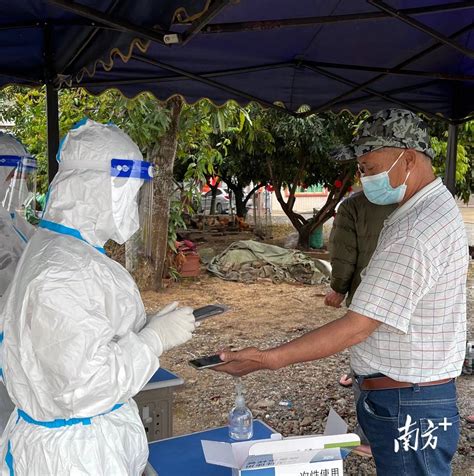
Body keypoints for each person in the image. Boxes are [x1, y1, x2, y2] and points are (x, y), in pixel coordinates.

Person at [215, 109, 468, 476]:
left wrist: (267, 359)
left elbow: (357, 327)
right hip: (410, 392)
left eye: (368, 166)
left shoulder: (416, 231)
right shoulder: (427, 208)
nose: (363, 177)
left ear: (408, 158)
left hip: (408, 400)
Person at [0, 119, 196, 475]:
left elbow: (80, 342)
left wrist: (143, 329)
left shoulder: (68, 253)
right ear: (94, 188)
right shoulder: (62, 272)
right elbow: (83, 387)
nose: (133, 206)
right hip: (75, 460)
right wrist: (152, 340)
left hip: (87, 448)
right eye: (128, 192)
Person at [325, 187, 396, 456]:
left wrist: (338, 287)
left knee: (366, 363)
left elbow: (344, 253)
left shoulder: (353, 205)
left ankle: (369, 438)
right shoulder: (413, 199)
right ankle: (399, 432)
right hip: (406, 296)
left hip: (367, 295)